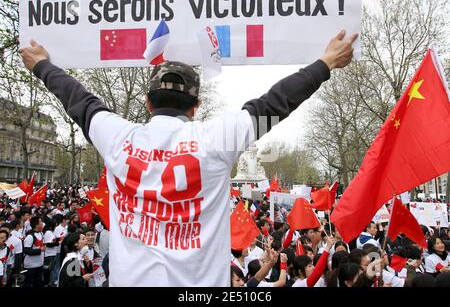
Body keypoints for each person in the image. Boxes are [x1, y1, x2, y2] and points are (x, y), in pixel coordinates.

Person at [19, 29, 357, 286]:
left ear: (149, 103)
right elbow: (274, 105)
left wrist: (42, 66)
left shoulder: (117, 138)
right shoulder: (214, 141)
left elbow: (78, 100)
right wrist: (325, 63)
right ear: (196, 107)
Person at [22, 216, 45, 288]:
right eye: (40, 222)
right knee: (28, 284)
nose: (42, 223)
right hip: (31, 265)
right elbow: (26, 250)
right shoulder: (30, 236)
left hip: (39, 264)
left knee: (38, 283)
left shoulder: (41, 234)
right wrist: (39, 250)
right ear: (36, 224)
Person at [43, 219, 59, 287]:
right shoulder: (48, 232)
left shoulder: (51, 232)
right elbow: (48, 244)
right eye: (55, 225)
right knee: (47, 270)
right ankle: (47, 283)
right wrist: (58, 243)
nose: (56, 227)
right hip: (49, 254)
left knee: (51, 269)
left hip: (52, 253)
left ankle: (50, 283)